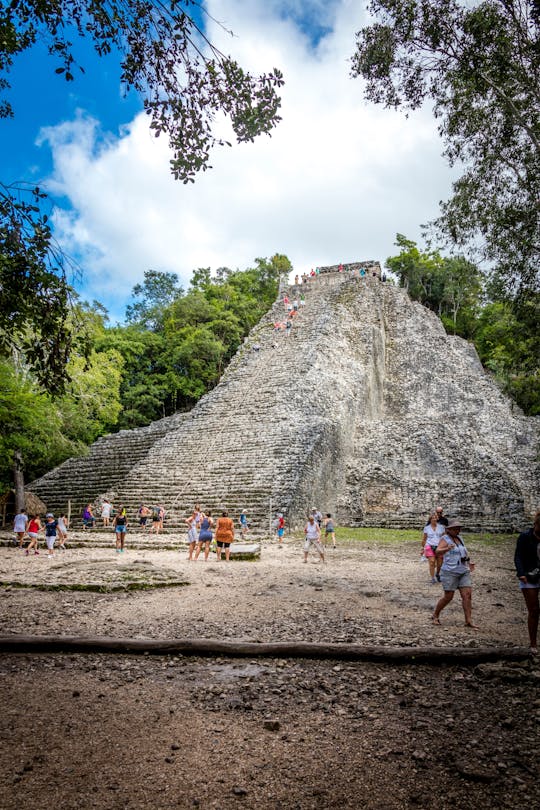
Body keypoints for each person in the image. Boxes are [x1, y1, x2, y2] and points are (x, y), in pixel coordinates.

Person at [432, 520, 478, 629]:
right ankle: (435, 615)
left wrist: (469, 562)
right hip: (449, 571)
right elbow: (437, 552)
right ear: (449, 530)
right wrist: (447, 548)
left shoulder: (460, 539)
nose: (458, 530)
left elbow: (464, 552)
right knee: (448, 597)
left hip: (463, 570)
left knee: (467, 595)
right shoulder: (445, 539)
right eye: (456, 528)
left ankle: (468, 620)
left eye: (459, 528)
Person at [514, 510, 540, 654]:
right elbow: (518, 556)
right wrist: (521, 572)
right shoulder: (525, 537)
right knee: (534, 610)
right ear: (535, 524)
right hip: (529, 576)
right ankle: (533, 643)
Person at [421, 512, 445, 583]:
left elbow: (444, 538)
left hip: (439, 546)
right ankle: (432, 578)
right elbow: (424, 539)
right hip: (429, 546)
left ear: (437, 519)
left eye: (435, 517)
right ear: (430, 519)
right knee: (432, 562)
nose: (434, 519)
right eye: (433, 518)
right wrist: (422, 548)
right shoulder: (426, 528)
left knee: (440, 563)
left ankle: (437, 574)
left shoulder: (441, 527)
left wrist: (445, 547)